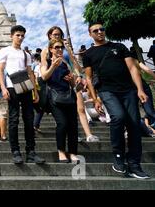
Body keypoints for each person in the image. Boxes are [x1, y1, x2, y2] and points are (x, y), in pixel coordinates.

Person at [83, 22, 150, 179]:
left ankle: (134, 164)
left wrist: (140, 89)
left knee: (134, 124)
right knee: (118, 117)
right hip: (107, 91)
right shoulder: (88, 54)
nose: (99, 32)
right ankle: (119, 156)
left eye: (102, 29)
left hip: (128, 90)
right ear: (90, 34)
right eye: (95, 30)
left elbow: (133, 68)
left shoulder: (119, 47)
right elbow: (88, 77)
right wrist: (95, 99)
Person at [0, 25, 45, 164]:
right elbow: (0, 70)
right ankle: (16, 151)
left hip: (26, 88)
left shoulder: (26, 54)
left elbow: (30, 72)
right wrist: (3, 88)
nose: (20, 38)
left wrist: (35, 91)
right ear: (11, 36)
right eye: (18, 35)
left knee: (29, 120)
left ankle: (31, 151)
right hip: (11, 87)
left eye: (22, 35)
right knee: (13, 119)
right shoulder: (5, 51)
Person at [40, 39, 80, 163]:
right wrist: (53, 65)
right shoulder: (46, 62)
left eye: (61, 47)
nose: (59, 49)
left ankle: (73, 152)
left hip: (69, 96)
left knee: (73, 125)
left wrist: (71, 79)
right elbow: (44, 76)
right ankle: (61, 151)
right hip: (54, 97)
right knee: (62, 124)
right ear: (51, 49)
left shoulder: (66, 63)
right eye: (56, 47)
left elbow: (73, 84)